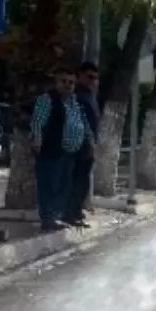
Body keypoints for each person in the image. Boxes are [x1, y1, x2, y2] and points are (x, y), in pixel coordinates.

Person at [31, 66, 94, 232]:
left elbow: (84, 124)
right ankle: (47, 219)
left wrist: (90, 143)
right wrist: (37, 140)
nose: (68, 85)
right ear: (56, 82)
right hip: (51, 150)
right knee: (49, 185)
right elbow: (37, 122)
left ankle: (56, 216)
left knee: (64, 186)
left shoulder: (76, 102)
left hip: (70, 152)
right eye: (64, 81)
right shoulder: (47, 99)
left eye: (71, 82)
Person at [64, 61, 101, 228]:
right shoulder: (77, 95)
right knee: (77, 180)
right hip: (79, 145)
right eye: (89, 77)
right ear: (79, 76)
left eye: (95, 78)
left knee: (83, 180)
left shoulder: (89, 95)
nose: (93, 81)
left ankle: (75, 211)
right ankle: (70, 213)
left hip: (87, 144)